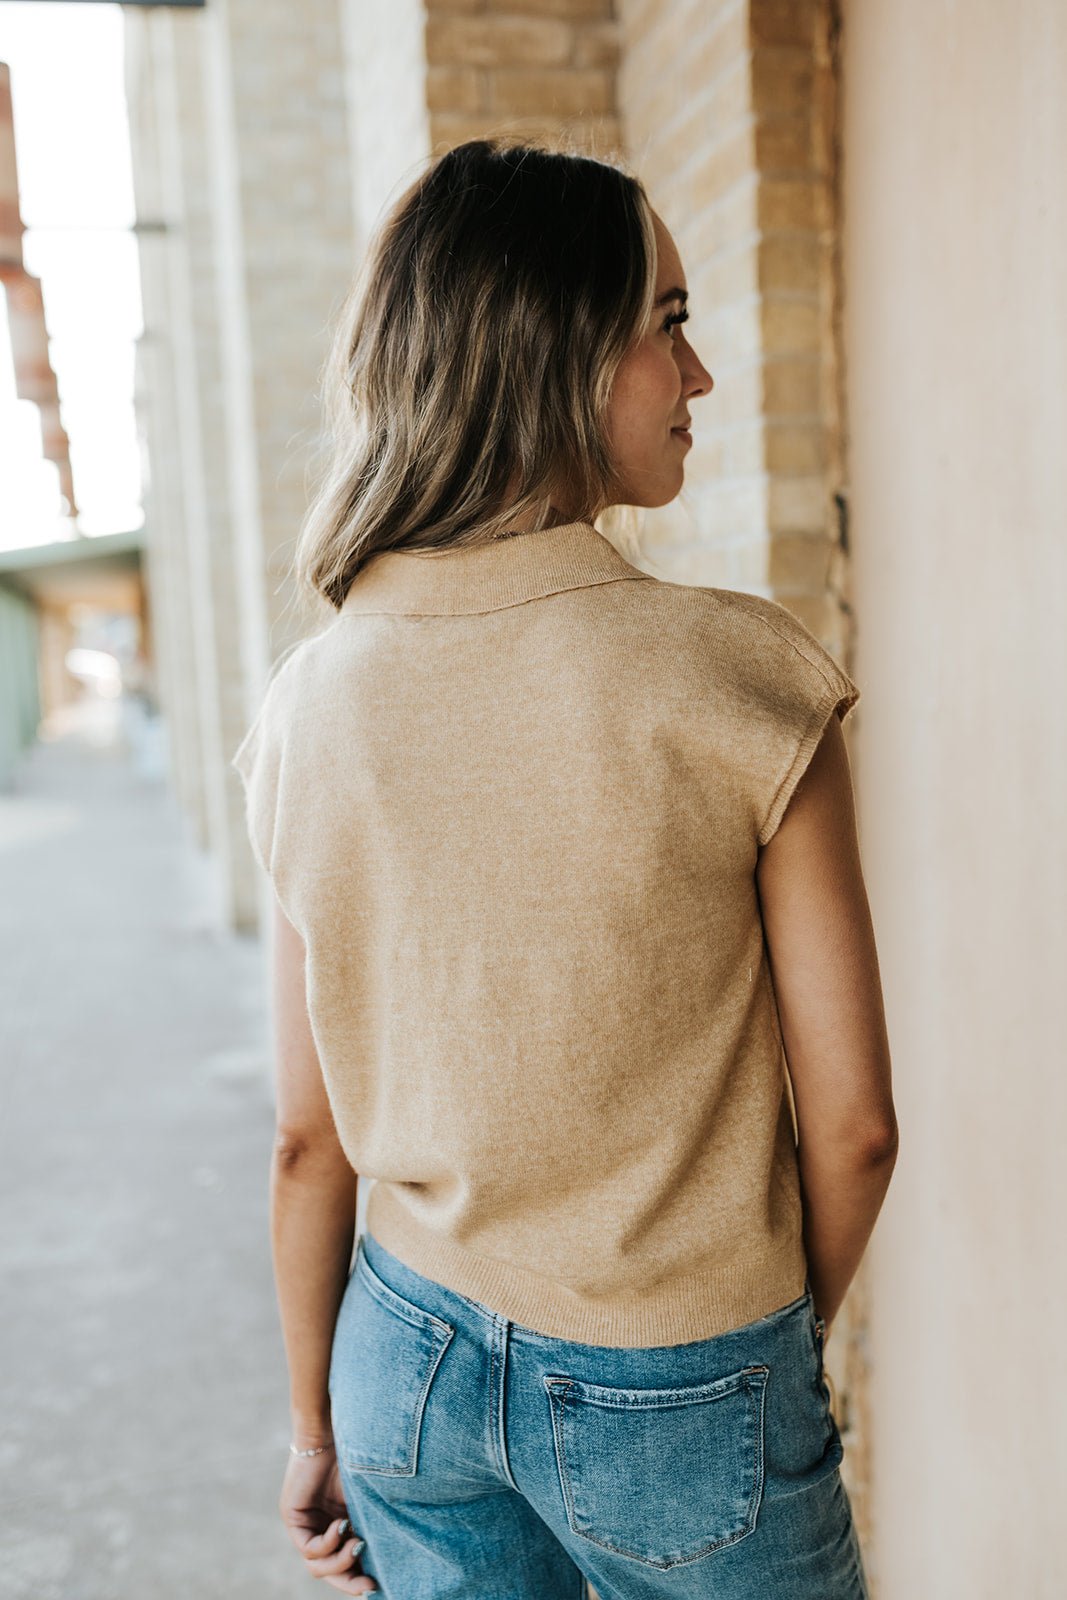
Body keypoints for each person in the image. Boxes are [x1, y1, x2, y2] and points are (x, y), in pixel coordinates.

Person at [232, 137, 897, 1600]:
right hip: (687, 1366)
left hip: (401, 1362)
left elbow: (305, 1140)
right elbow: (854, 1129)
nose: (700, 372)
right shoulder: (736, 675)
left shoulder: (305, 704)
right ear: (556, 348)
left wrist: (312, 1427)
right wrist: (760, 1376)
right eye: (668, 321)